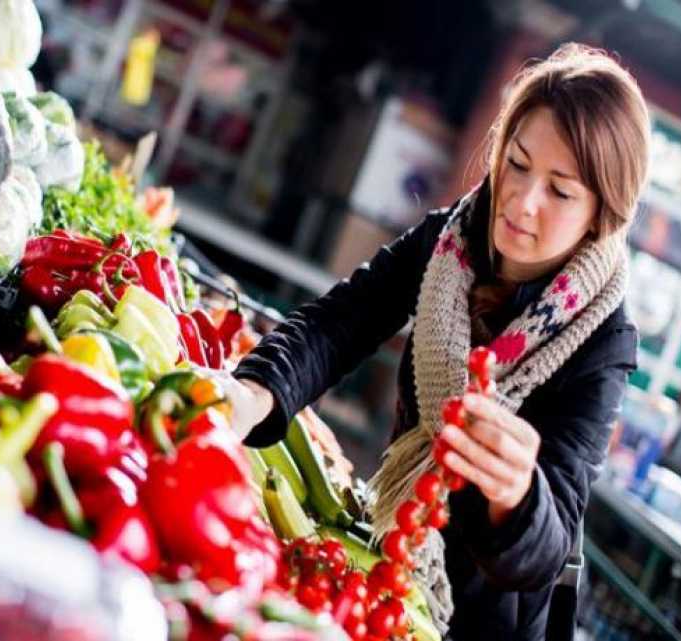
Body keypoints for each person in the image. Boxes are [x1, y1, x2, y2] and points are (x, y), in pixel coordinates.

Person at [219, 43, 650, 640]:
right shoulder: (448, 244)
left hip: (480, 622)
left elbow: (546, 552)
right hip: (386, 562)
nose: (523, 202)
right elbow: (341, 321)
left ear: (602, 214)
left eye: (560, 190)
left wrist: (518, 493)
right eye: (518, 164)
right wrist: (253, 394)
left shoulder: (603, 341)